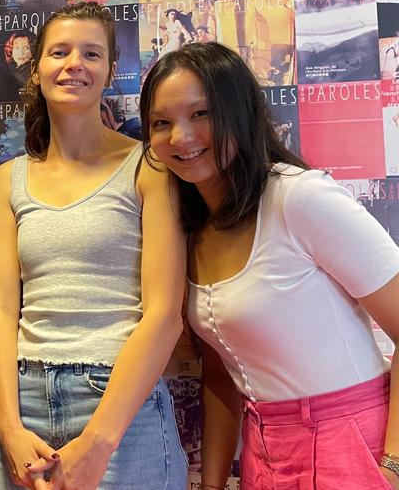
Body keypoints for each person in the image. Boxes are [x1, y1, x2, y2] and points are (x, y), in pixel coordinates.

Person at [140, 42, 399, 490]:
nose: (180, 137)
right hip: (264, 450)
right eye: (162, 123)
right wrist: (212, 484)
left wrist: (392, 466)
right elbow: (221, 373)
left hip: (352, 441)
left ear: (239, 111)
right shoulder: (191, 229)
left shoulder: (299, 197)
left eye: (200, 114)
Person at [0, 1, 187, 490]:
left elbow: (164, 316)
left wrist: (98, 442)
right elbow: (0, 307)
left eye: (91, 54)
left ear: (110, 71)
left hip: (119, 406)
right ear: (36, 70)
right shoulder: (8, 179)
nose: (74, 63)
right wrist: (8, 427)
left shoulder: (149, 167)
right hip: (25, 406)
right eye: (60, 52)